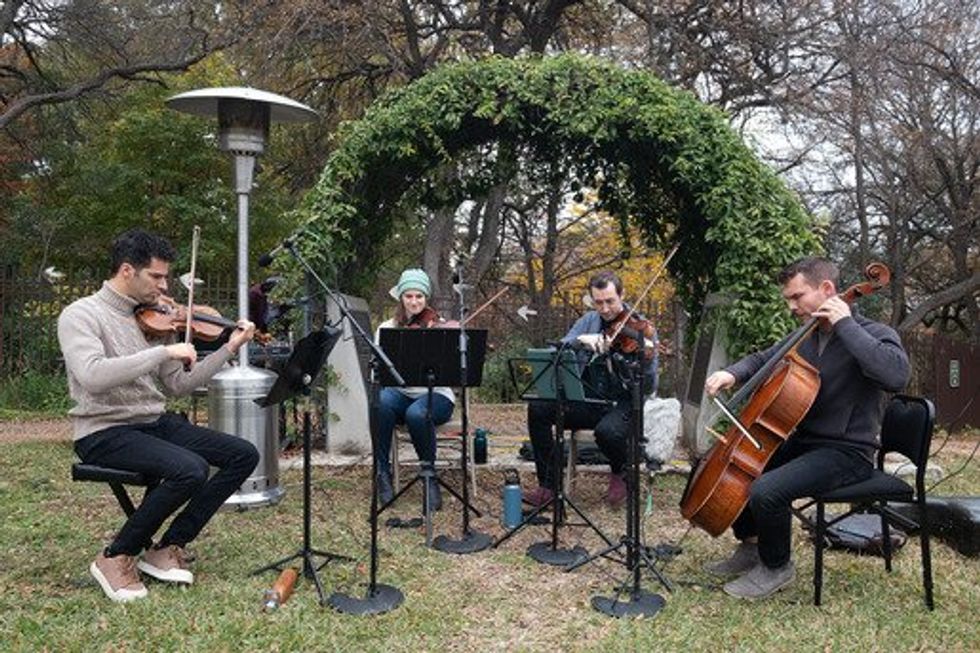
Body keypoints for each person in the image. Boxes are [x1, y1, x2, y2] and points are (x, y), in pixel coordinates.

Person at [58, 229, 260, 603]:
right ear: (126, 271)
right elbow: (92, 375)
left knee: (243, 454)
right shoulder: (81, 314)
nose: (164, 286)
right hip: (104, 429)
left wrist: (227, 349)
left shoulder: (157, 320)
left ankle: (167, 546)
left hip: (152, 422)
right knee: (190, 468)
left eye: (166, 277)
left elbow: (179, 386)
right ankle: (115, 556)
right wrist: (162, 353)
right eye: (156, 276)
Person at [702, 256, 909, 599]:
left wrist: (845, 324)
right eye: (788, 299)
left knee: (768, 489)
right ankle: (752, 546)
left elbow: (896, 376)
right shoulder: (807, 337)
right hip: (806, 443)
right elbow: (763, 359)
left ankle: (776, 566)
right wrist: (733, 373)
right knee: (740, 464)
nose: (791, 306)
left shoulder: (874, 333)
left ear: (827, 289)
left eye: (797, 297)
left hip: (847, 452)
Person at [523, 270, 658, 508]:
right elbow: (561, 348)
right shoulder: (588, 321)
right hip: (588, 397)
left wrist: (641, 359)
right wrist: (583, 341)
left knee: (608, 432)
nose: (604, 309)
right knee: (538, 409)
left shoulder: (640, 328)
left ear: (622, 295)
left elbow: (649, 384)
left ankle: (620, 471)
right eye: (598, 302)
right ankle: (549, 485)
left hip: (622, 402)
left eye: (610, 301)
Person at [373, 268, 456, 510]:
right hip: (401, 393)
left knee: (417, 414)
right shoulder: (386, 328)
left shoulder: (438, 326)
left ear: (426, 298)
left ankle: (429, 476)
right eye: (408, 296)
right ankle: (382, 473)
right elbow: (380, 372)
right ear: (400, 297)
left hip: (436, 395)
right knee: (381, 403)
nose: (414, 301)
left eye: (419, 296)